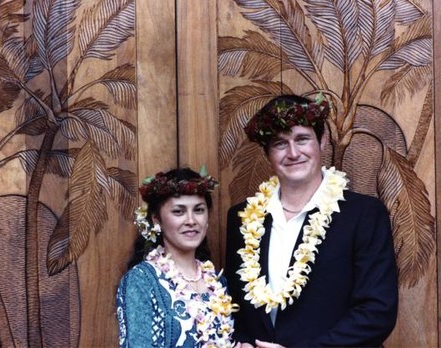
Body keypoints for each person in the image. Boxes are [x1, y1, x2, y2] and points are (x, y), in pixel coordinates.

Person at [224, 94, 398, 347]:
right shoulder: (241, 219)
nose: (293, 153)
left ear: (322, 141)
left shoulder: (364, 215)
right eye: (280, 144)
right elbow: (237, 308)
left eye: (302, 139)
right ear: (267, 154)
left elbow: (377, 312)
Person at [116, 166, 240, 347]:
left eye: (198, 210)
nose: (191, 221)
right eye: (178, 211)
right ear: (156, 220)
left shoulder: (217, 283)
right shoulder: (142, 280)